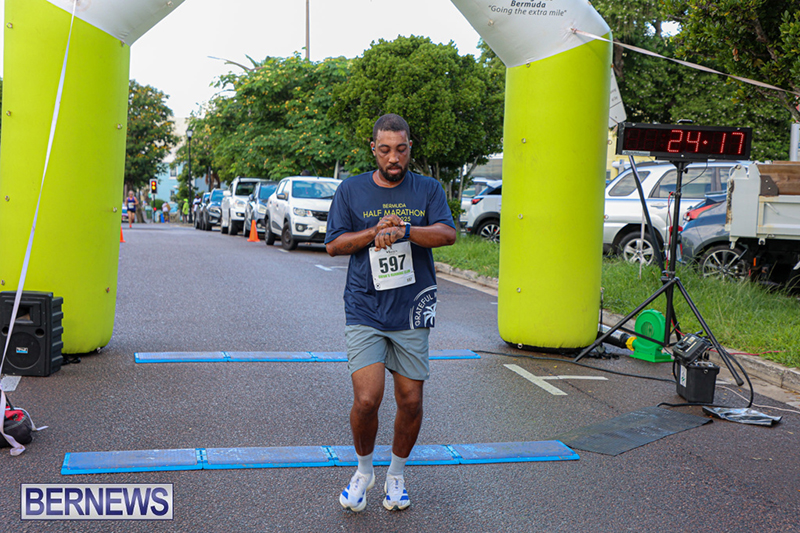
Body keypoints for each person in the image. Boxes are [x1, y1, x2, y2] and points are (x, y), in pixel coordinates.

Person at [325, 113, 456, 512]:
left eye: (400, 149)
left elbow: (447, 234)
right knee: (367, 399)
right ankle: (364, 471)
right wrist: (373, 232)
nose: (393, 157)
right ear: (374, 149)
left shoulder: (428, 189)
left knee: (411, 400)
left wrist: (404, 231)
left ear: (409, 148)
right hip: (365, 306)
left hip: (412, 308)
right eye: (385, 150)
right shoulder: (351, 190)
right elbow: (333, 245)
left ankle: (396, 475)